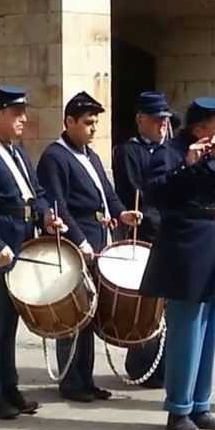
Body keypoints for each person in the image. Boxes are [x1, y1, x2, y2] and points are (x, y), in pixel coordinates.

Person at [140, 97, 215, 430]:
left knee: (209, 328)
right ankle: (179, 409)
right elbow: (154, 194)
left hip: (214, 239)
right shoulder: (170, 152)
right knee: (187, 329)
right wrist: (187, 167)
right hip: (186, 243)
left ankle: (200, 404)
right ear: (198, 128)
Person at [0, 84, 69, 420]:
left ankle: (9, 386)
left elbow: (37, 194)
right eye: (16, 113)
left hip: (21, 246)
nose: (23, 119)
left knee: (9, 324)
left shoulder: (16, 152)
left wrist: (47, 216)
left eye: (24, 113)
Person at [37, 91, 143, 402]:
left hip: (97, 240)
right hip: (75, 244)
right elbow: (58, 205)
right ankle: (71, 381)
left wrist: (122, 213)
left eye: (95, 123)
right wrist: (80, 240)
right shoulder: (55, 157)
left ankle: (86, 379)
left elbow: (107, 194)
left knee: (90, 313)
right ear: (69, 122)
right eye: (87, 123)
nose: (93, 128)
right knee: (73, 315)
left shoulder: (91, 155)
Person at [112, 91, 173, 387]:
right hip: (145, 231)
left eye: (165, 120)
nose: (163, 125)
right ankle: (141, 363)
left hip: (171, 234)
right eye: (157, 119)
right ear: (141, 120)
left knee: (169, 305)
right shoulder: (129, 151)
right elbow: (135, 190)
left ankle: (166, 363)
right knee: (146, 303)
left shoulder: (172, 151)